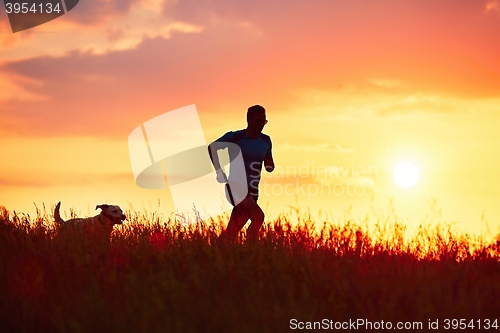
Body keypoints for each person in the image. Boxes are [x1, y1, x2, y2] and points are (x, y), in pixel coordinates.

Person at [208, 105, 275, 243]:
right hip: (236, 188)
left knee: (232, 231)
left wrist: (269, 166)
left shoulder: (266, 141)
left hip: (253, 191)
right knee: (258, 217)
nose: (262, 125)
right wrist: (219, 171)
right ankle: (250, 252)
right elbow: (212, 147)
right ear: (249, 120)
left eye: (264, 122)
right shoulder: (235, 137)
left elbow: (269, 163)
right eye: (258, 121)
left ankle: (214, 252)